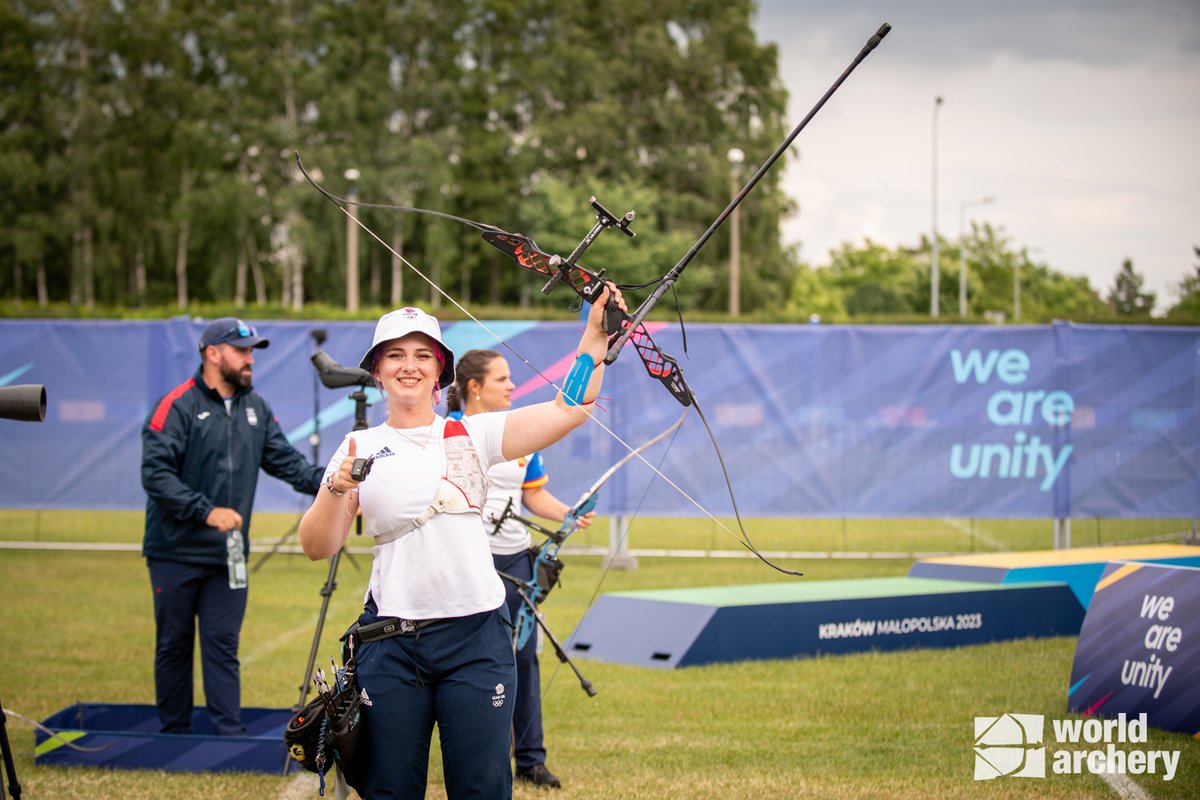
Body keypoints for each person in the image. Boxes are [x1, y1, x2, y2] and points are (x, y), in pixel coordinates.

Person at [298, 291, 622, 799]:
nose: (410, 366)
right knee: (391, 791)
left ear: (440, 371)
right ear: (377, 370)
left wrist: (595, 336)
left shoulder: (473, 432)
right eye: (396, 355)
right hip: (391, 644)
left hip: (476, 642)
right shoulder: (356, 447)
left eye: (423, 355)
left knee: (482, 789)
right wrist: (338, 488)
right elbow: (318, 546)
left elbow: (570, 407)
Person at [141, 317, 325, 735]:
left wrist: (333, 482)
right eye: (241, 351)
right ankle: (174, 735)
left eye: (252, 352)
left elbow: (288, 463)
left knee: (223, 645)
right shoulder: (176, 405)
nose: (249, 360)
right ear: (212, 354)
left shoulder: (256, 408)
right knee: (174, 645)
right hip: (174, 551)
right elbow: (156, 475)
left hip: (230, 555)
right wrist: (205, 511)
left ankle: (228, 736)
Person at [446, 349, 596, 790]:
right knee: (469, 663)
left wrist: (569, 513)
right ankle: (475, 754)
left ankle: (530, 760)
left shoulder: (520, 436)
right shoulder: (449, 433)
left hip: (517, 561)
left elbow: (534, 497)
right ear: (474, 387)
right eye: (502, 380)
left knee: (524, 658)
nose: (513, 387)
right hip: (470, 562)